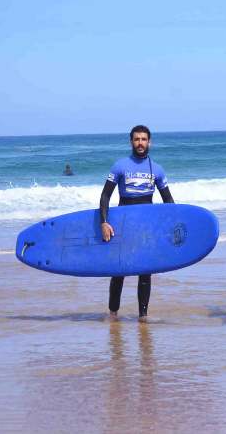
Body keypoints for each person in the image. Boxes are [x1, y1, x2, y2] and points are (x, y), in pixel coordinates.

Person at [100, 125, 174, 321]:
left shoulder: (157, 169)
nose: (140, 143)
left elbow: (169, 202)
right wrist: (104, 222)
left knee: (145, 272)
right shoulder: (120, 165)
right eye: (136, 139)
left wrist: (171, 227)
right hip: (122, 225)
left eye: (143, 139)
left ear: (149, 142)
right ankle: (113, 314)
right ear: (131, 142)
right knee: (119, 271)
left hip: (146, 227)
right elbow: (105, 195)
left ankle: (143, 316)